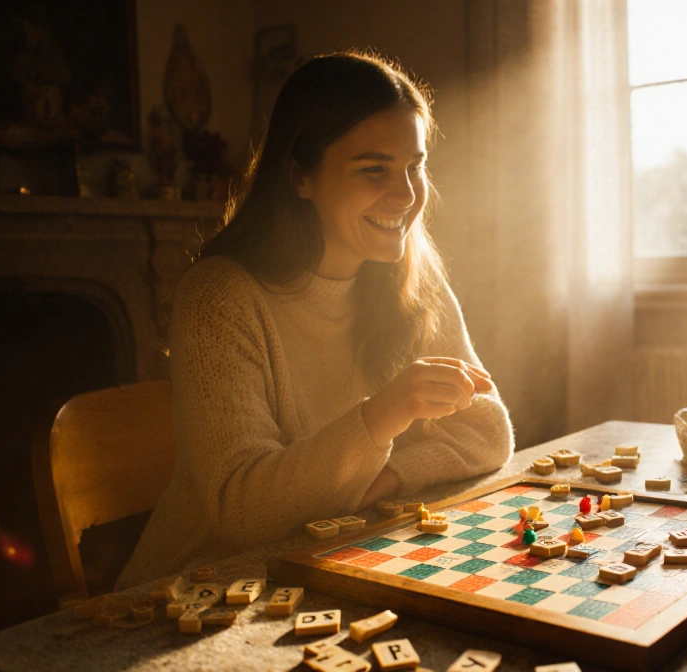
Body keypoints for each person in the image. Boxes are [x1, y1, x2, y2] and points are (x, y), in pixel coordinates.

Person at [118, 52, 514, 588]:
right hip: (198, 587)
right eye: (374, 169)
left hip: (329, 561)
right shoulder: (218, 297)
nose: (407, 195)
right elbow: (243, 513)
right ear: (300, 176)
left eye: (414, 166)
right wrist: (384, 416)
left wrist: (384, 478)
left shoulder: (410, 276)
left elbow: (489, 429)